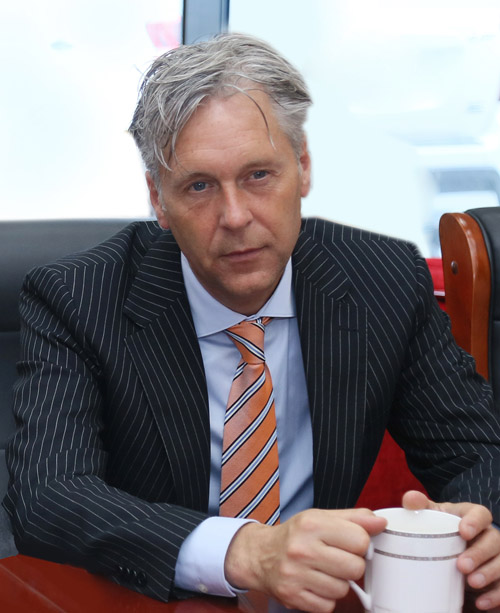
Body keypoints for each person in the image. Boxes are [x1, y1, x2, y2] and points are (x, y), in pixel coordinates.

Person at [4, 33, 500, 612]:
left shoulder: (381, 279)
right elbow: (47, 496)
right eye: (199, 186)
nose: (236, 216)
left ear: (303, 168)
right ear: (158, 199)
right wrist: (245, 551)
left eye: (259, 175)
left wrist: (479, 530)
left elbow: (476, 451)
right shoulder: (78, 298)